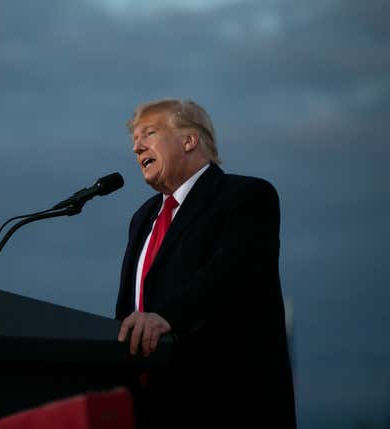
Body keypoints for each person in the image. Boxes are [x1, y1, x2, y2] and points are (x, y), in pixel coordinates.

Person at [115, 98, 296, 428]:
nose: (137, 147)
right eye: (134, 141)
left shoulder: (247, 195)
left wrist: (167, 317)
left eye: (149, 133)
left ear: (189, 140)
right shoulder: (142, 218)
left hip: (226, 401)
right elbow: (130, 309)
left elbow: (232, 273)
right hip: (150, 406)